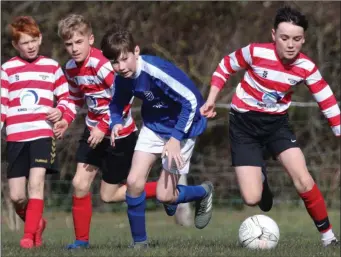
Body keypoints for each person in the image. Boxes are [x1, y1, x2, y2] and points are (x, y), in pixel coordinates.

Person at [201, 6, 340, 247]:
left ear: (303, 39)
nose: (290, 44)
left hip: (276, 125)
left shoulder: (306, 67)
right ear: (273, 35)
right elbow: (226, 65)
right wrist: (212, 98)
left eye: (297, 39)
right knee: (252, 198)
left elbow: (326, 98)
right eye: (284, 38)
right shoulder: (255, 52)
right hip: (244, 125)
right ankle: (262, 180)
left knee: (304, 180)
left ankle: (329, 238)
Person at [53, 14, 189, 249]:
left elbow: (121, 102)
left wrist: (104, 127)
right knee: (79, 184)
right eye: (68, 44)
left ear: (90, 39)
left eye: (78, 42)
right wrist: (66, 118)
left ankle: (167, 191)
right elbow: (75, 98)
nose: (74, 49)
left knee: (109, 195)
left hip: (120, 135)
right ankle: (81, 242)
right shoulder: (70, 69)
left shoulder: (104, 66)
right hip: (93, 132)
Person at [100, 25, 214, 248]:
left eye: (124, 59)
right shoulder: (122, 78)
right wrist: (114, 123)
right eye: (114, 62)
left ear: (136, 52)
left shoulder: (155, 71)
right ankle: (140, 244)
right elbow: (116, 103)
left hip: (184, 128)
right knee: (133, 182)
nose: (120, 67)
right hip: (153, 126)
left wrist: (175, 139)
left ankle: (203, 192)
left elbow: (191, 102)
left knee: (164, 195)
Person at [1, 16, 73, 249]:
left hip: (42, 133)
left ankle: (29, 237)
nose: (30, 46)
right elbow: (2, 104)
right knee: (17, 196)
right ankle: (36, 224)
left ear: (40, 38)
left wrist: (60, 111)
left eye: (34, 40)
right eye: (24, 42)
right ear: (15, 45)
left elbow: (66, 98)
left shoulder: (52, 67)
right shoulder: (7, 69)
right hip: (16, 137)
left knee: (36, 184)